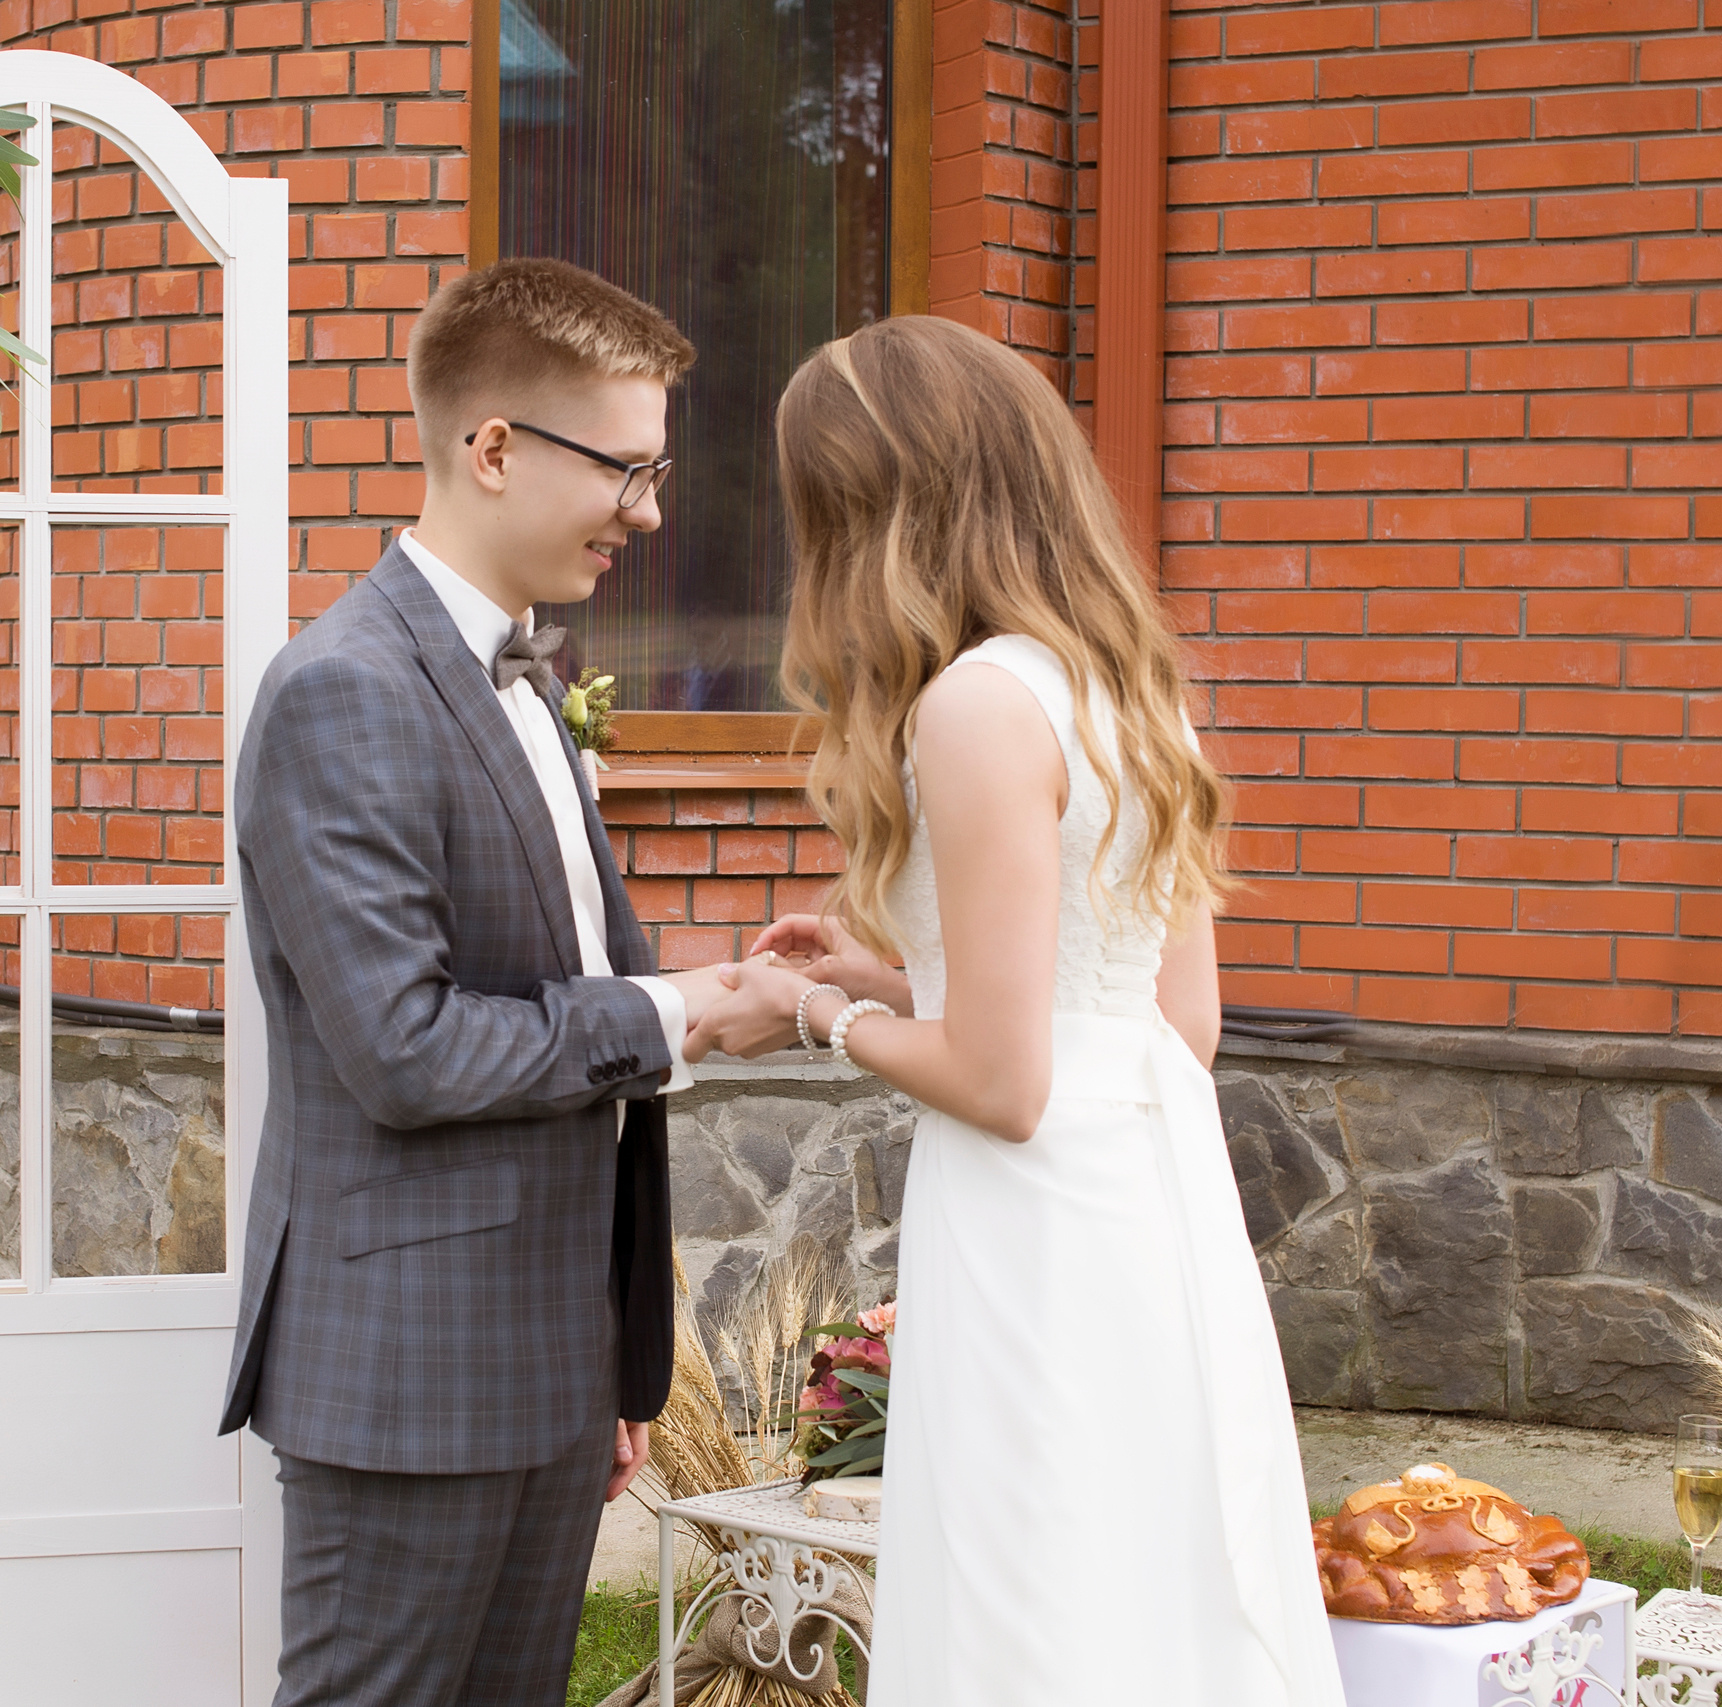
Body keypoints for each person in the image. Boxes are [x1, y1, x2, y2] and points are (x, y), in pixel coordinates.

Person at [687, 316, 1348, 1705]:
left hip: (1033, 1227)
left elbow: (1005, 1084)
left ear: (876, 506)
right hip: (1153, 1202)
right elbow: (1171, 1023)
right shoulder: (1127, 690)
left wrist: (807, 1013)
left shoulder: (974, 705)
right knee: (1143, 1574)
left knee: (1030, 1583)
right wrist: (892, 977)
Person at [220, 259, 731, 1707]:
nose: (648, 511)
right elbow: (406, 1048)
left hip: (552, 1365)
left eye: (655, 471)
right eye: (627, 470)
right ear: (494, 447)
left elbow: (559, 974)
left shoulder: (530, 681)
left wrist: (607, 1359)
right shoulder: (344, 689)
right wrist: (679, 1014)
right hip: (410, 1378)